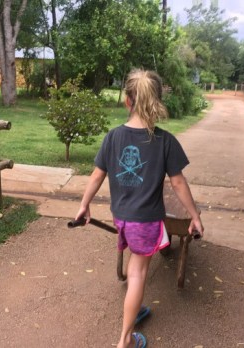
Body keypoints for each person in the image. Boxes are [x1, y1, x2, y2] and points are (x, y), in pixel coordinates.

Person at [75, 69, 204, 348]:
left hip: (122, 218)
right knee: (137, 274)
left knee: (135, 270)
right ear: (157, 101)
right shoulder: (165, 141)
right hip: (145, 222)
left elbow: (97, 175)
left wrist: (84, 205)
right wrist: (194, 216)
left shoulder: (112, 137)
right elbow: (178, 183)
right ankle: (125, 341)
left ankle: (133, 314)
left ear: (127, 101)